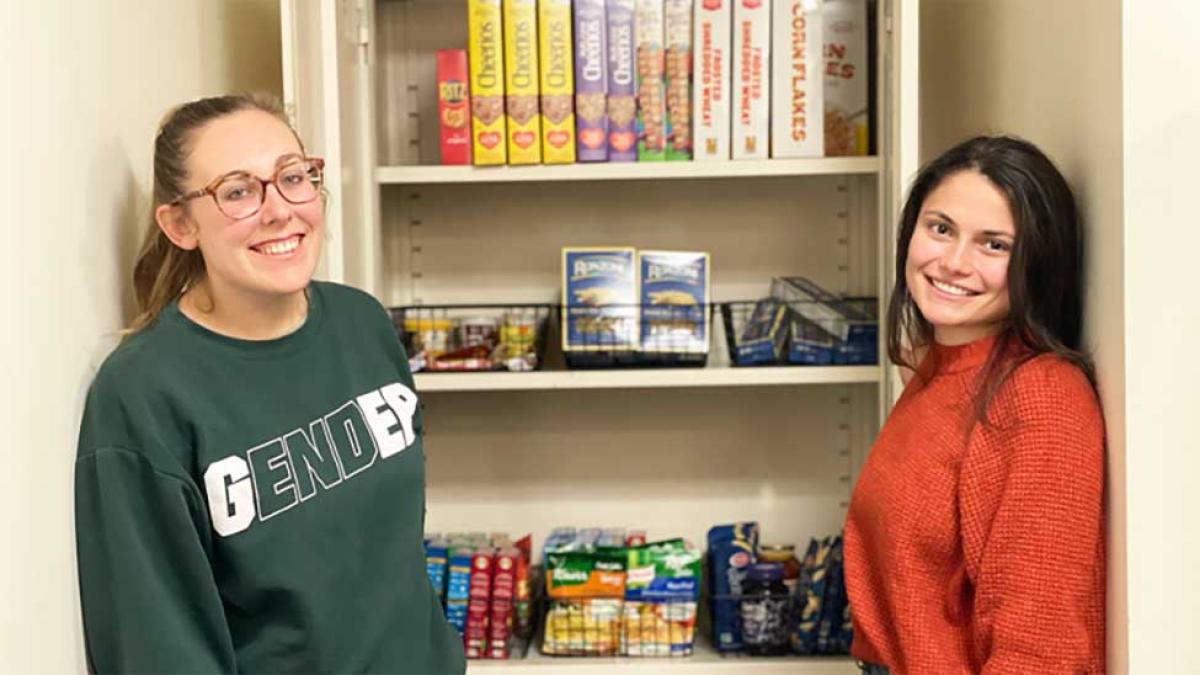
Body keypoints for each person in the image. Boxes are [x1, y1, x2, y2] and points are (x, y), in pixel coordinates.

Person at [74, 94, 466, 674]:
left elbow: (390, 555)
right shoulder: (144, 394)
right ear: (180, 224)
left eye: (294, 177)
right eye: (237, 191)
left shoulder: (362, 324)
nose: (280, 209)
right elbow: (158, 644)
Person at [844, 136, 1105, 674]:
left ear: (1038, 263)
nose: (954, 263)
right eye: (941, 229)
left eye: (994, 245)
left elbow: (1040, 645)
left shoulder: (1041, 396)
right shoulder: (938, 367)